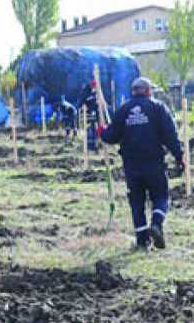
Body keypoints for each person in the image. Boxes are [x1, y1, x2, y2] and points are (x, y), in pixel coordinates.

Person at [101, 77, 184, 250]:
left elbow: (111, 137)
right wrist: (179, 156)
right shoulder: (158, 108)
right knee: (161, 196)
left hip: (132, 166)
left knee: (137, 202)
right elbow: (170, 134)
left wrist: (101, 131)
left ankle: (142, 240)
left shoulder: (123, 110)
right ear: (148, 91)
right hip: (154, 162)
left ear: (133, 91)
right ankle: (156, 223)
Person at [79, 80, 102, 152]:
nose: (94, 87)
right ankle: (90, 146)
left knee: (96, 129)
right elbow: (81, 103)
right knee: (90, 130)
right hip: (88, 115)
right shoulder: (85, 93)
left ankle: (96, 144)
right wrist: (87, 110)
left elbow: (97, 102)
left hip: (96, 114)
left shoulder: (96, 92)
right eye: (93, 86)